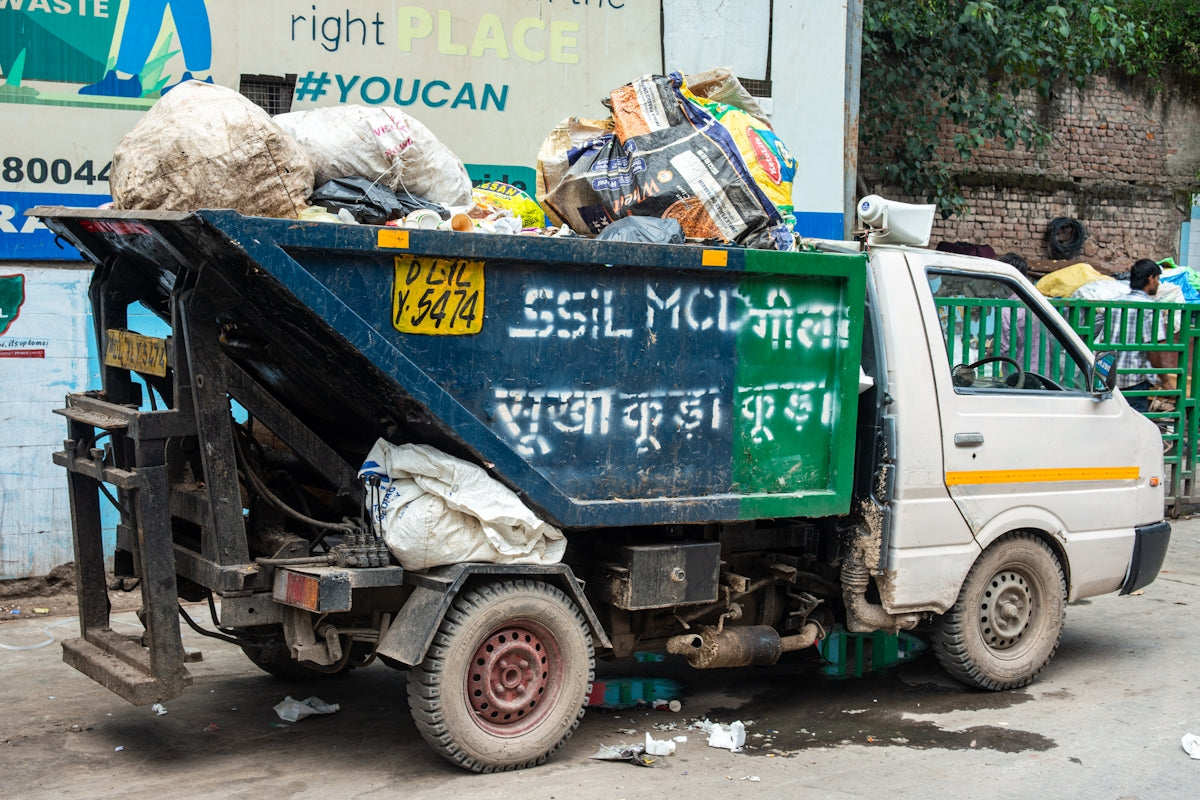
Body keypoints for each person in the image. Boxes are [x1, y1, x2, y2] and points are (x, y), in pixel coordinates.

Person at [1109, 258, 1163, 413]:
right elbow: (1153, 347)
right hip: (1134, 379)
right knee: (1138, 427)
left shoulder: (1115, 304)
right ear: (1150, 278)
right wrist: (1164, 377)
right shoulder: (1149, 308)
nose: (1158, 284)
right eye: (1157, 279)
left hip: (1110, 378)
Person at [996, 252, 1045, 375]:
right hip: (1044, 375)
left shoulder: (1008, 311)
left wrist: (989, 352)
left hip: (1018, 378)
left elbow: (1004, 351)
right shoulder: (1040, 304)